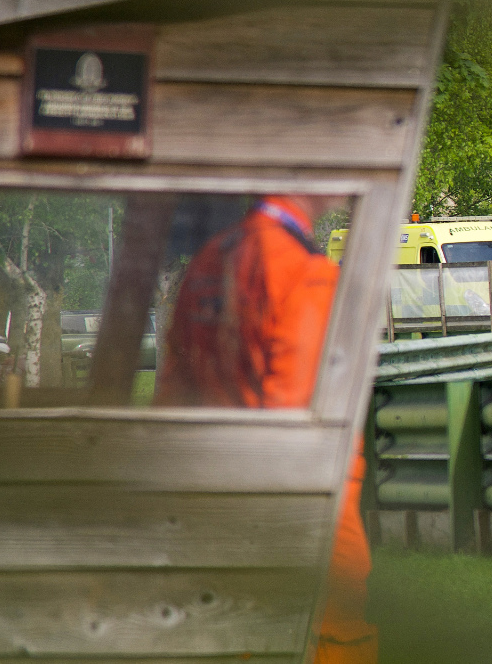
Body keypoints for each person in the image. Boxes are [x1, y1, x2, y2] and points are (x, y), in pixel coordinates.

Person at [153, 195, 376, 664]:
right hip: (306, 514)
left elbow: (172, 394)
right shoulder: (304, 272)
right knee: (335, 637)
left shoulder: (211, 260)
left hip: (208, 499)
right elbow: (299, 426)